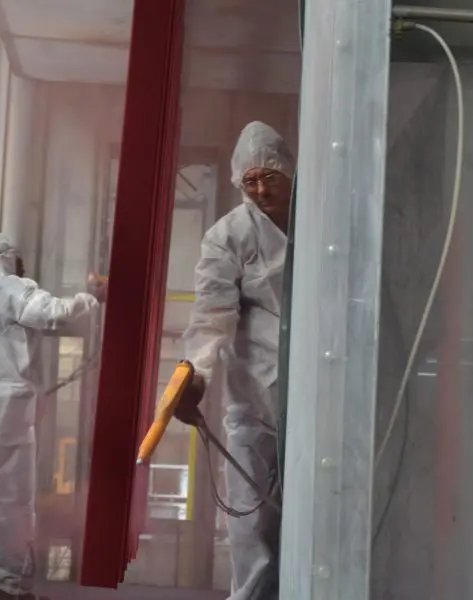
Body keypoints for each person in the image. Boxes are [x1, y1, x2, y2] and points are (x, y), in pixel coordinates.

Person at [0, 232, 107, 600]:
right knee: (13, 500)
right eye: (16, 258)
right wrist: (93, 298)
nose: (22, 264)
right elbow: (53, 314)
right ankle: (12, 587)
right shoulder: (10, 288)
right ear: (5, 258)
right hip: (8, 408)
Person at [178, 121, 294, 600]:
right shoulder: (228, 236)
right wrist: (197, 374)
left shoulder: (322, 221)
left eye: (270, 176)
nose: (262, 188)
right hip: (254, 402)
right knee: (251, 529)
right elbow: (212, 313)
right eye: (250, 181)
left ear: (289, 173)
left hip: (320, 398)